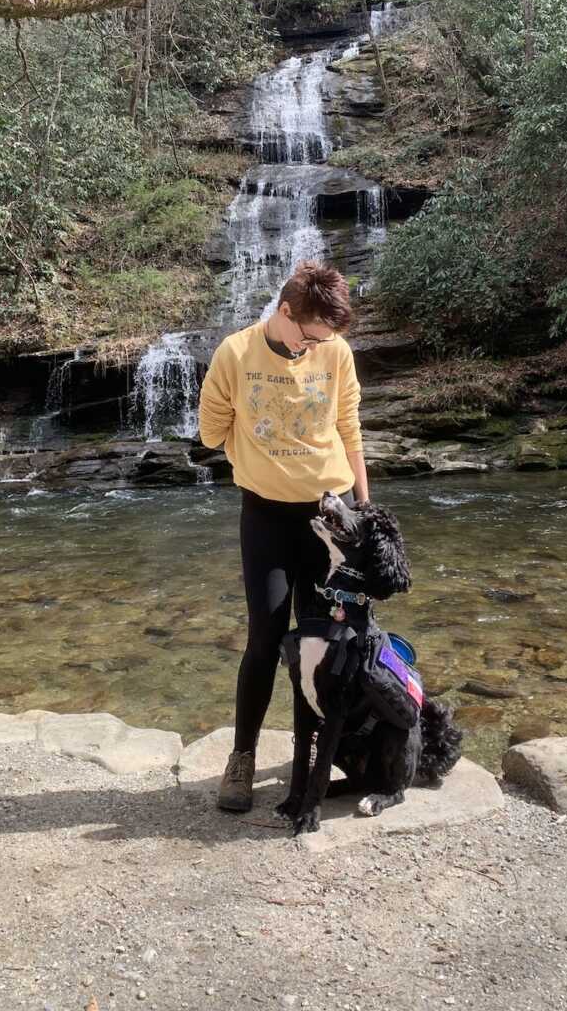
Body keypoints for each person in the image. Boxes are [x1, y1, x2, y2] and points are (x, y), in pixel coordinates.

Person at [197, 261, 369, 812]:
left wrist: (363, 509)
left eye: (327, 338)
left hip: (329, 517)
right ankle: (242, 757)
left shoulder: (334, 351)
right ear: (286, 312)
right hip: (265, 517)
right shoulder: (235, 353)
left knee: (321, 645)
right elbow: (210, 431)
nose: (316, 345)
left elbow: (349, 427)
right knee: (265, 640)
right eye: (311, 335)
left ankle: (312, 757)